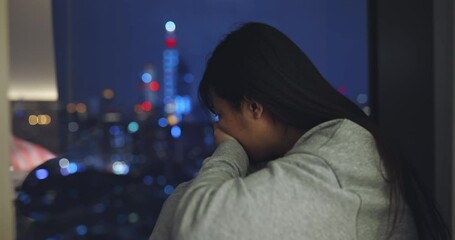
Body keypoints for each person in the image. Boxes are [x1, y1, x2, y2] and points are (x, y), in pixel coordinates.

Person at [149, 22, 450, 239]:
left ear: (254, 107)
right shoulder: (318, 153)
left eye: (220, 114)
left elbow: (201, 227)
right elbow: (185, 207)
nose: (218, 128)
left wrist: (228, 151)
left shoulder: (338, 158)